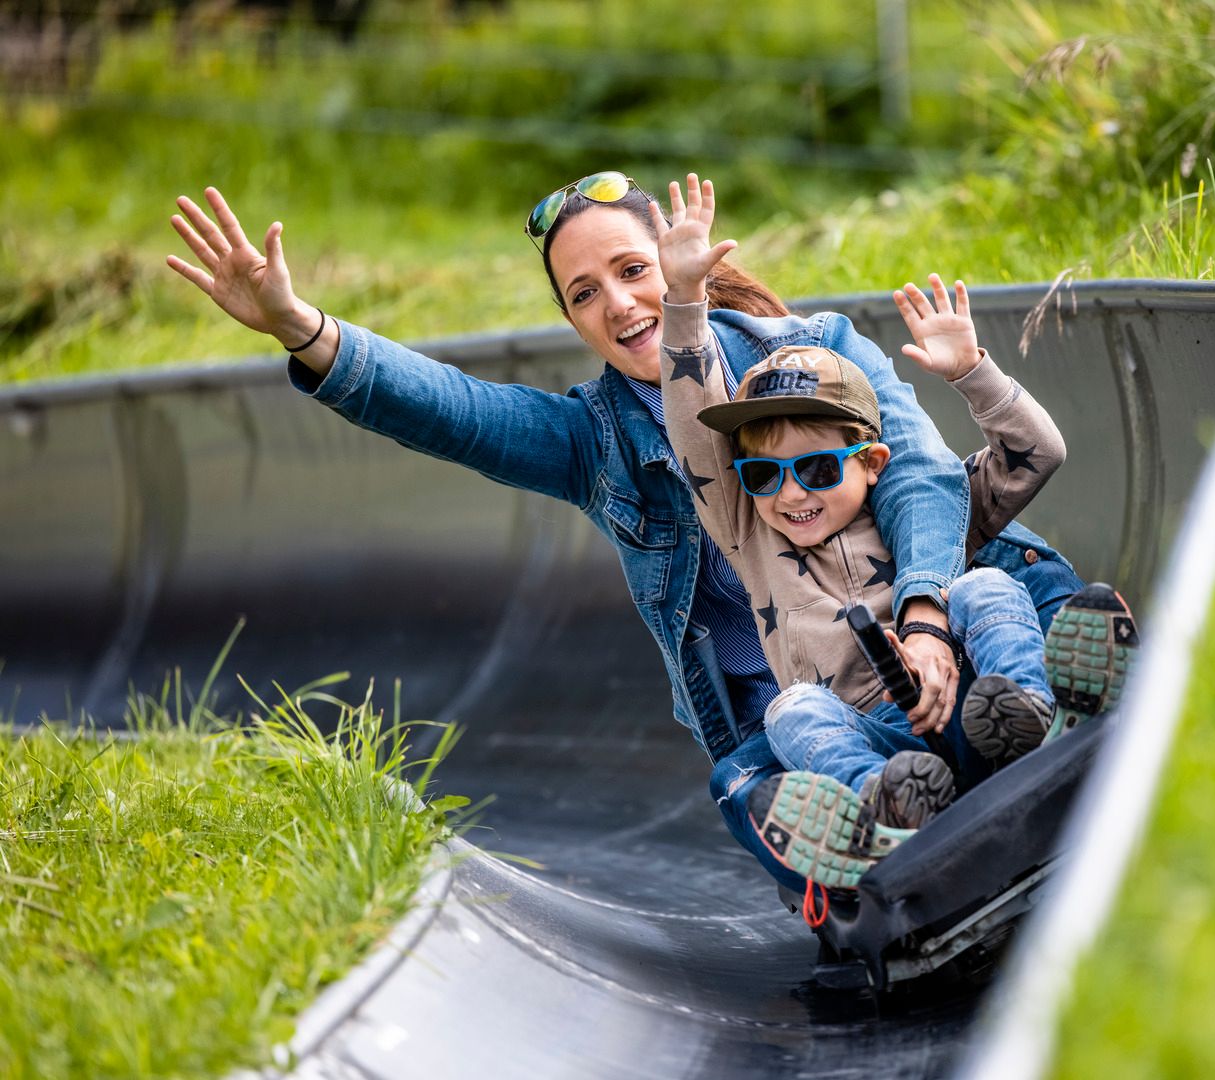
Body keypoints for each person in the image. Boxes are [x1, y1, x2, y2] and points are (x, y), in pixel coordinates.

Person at [163, 172, 1110, 895]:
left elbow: (924, 481)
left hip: (930, 631)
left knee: (1011, 591)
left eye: (630, 271)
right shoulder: (597, 440)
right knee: (749, 775)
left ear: (678, 262)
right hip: (809, 693)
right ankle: (874, 827)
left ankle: (1056, 703)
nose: (615, 305)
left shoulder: (819, 353)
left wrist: (926, 612)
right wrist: (300, 326)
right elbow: (455, 410)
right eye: (583, 294)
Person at [652, 176, 1075, 889]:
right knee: (791, 712)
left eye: (816, 469)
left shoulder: (923, 520)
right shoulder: (749, 534)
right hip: (876, 736)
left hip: (970, 701)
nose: (789, 494)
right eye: (764, 475)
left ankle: (1027, 707)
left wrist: (972, 372)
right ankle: (886, 799)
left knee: (987, 584)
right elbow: (695, 430)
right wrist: (685, 303)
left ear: (872, 461)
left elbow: (1037, 455)